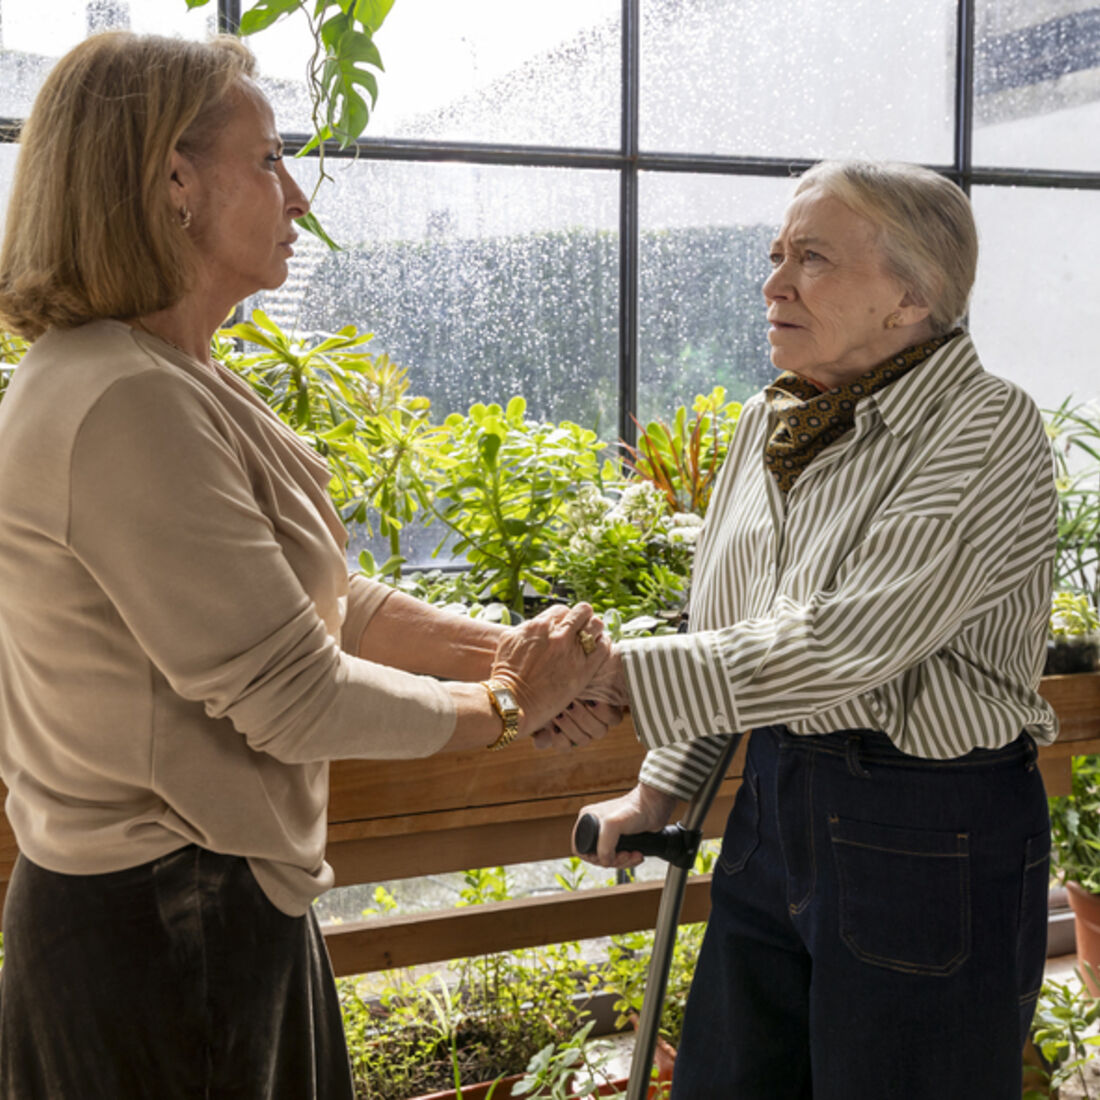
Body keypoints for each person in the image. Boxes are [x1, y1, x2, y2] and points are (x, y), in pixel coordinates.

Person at [0, 32, 619, 1099]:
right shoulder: (123, 399)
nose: (296, 196)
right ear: (174, 181)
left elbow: (320, 600)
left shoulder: (169, 373)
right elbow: (290, 692)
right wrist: (509, 700)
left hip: (209, 903)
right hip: (163, 925)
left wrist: (514, 653)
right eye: (270, 158)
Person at [575, 160, 1058, 1099]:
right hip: (778, 798)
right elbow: (729, 626)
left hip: (928, 827)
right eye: (776, 255)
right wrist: (659, 789)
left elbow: (848, 644)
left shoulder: (985, 425)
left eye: (814, 259)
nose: (774, 282)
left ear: (912, 296)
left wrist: (609, 675)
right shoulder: (772, 421)